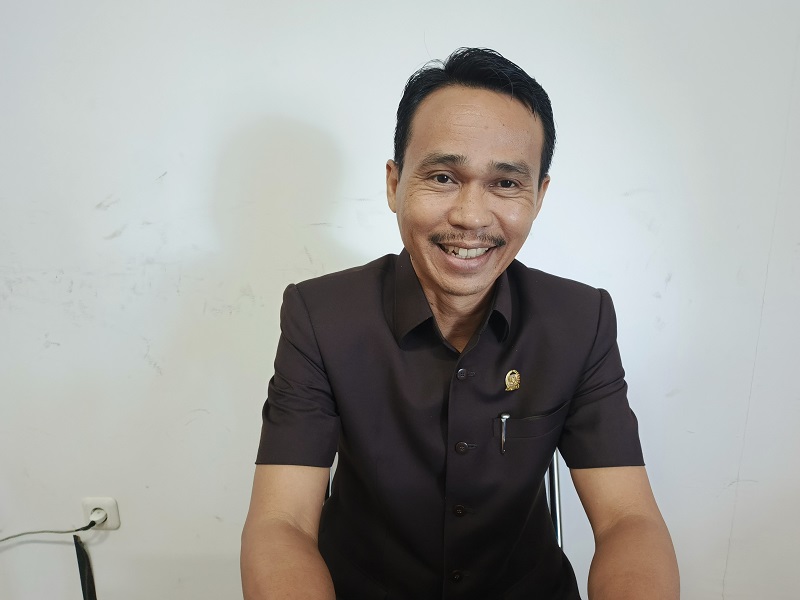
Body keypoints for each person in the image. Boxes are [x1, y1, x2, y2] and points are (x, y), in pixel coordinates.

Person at [241, 47, 679, 599]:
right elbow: (281, 522)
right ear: (394, 183)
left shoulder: (580, 321)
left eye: (506, 184)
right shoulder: (320, 316)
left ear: (538, 196)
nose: (471, 216)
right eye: (444, 176)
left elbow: (627, 519)